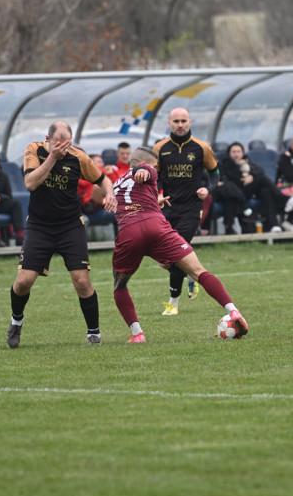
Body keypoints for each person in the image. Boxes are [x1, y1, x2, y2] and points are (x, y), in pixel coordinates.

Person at [110, 146, 248, 343]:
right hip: (155, 226)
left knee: (120, 284)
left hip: (129, 231)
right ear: (149, 163)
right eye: (156, 166)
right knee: (198, 271)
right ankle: (233, 312)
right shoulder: (146, 169)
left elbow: (131, 199)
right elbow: (144, 171)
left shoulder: (117, 183)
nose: (157, 170)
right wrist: (143, 170)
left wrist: (153, 199)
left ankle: (137, 334)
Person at [6, 121, 116, 348]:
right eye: (57, 144)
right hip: (39, 226)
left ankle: (93, 333)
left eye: (66, 144)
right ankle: (17, 321)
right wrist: (52, 158)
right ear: (48, 138)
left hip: (70, 226)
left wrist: (110, 194)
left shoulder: (78, 157)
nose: (62, 149)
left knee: (82, 281)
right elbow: (30, 183)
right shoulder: (34, 150)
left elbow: (103, 179)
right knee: (23, 282)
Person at [152, 107, 219, 315]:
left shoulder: (202, 147)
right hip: (167, 207)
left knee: (176, 252)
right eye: (176, 121)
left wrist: (207, 189)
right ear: (169, 123)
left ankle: (173, 303)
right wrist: (157, 195)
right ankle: (191, 274)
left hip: (191, 208)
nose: (180, 125)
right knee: (163, 256)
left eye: (183, 121)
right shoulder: (159, 148)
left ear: (190, 122)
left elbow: (215, 173)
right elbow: (153, 176)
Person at [219, 142, 282, 233]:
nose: (236, 154)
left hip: (249, 190)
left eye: (239, 151)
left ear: (243, 153)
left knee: (266, 191)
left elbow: (260, 170)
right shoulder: (225, 164)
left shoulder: (247, 161)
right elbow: (233, 179)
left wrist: (251, 176)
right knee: (262, 179)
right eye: (234, 152)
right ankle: (281, 198)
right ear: (229, 153)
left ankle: (273, 225)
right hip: (237, 191)